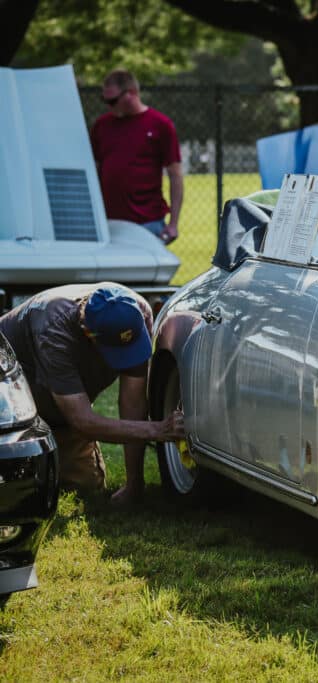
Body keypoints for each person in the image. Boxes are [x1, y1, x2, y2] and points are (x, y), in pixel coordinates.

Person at [0, 284, 185, 504]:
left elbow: (133, 403)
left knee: (86, 485)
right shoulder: (53, 331)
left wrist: (134, 485)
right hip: (10, 411)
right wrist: (158, 429)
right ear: (88, 333)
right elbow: (82, 421)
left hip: (61, 411)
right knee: (17, 490)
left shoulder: (135, 314)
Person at [90, 69, 183, 244]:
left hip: (148, 222)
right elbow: (92, 170)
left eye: (113, 101)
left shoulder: (160, 125)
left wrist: (173, 224)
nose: (109, 106)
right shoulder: (101, 126)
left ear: (131, 94)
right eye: (105, 100)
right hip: (108, 222)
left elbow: (175, 174)